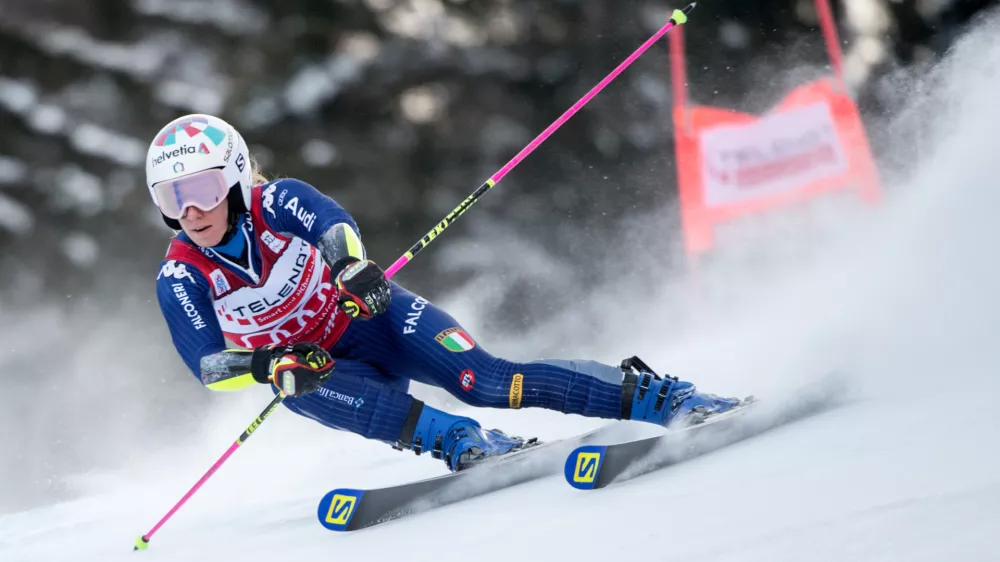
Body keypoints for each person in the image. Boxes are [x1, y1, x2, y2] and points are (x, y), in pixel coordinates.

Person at [148, 114, 741, 472]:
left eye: (200, 187)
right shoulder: (180, 275)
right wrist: (269, 362)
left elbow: (331, 224)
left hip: (371, 318)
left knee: (486, 381)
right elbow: (209, 366)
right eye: (173, 198)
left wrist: (349, 269)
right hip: (317, 367)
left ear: (233, 174)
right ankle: (462, 442)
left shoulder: (275, 200)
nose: (192, 209)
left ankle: (655, 398)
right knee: (298, 384)